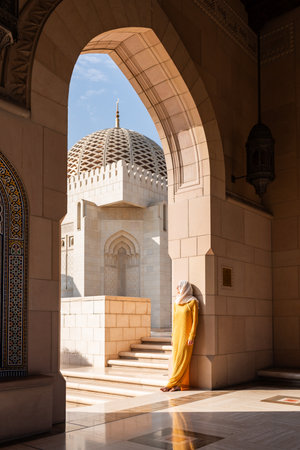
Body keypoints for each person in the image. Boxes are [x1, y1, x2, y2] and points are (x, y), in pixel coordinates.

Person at [161, 280, 198, 392]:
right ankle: (179, 385)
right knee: (177, 360)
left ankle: (170, 383)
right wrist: (172, 336)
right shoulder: (176, 303)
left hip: (186, 336)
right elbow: (174, 321)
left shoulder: (192, 302)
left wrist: (192, 336)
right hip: (177, 335)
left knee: (183, 360)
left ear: (184, 288)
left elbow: (195, 321)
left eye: (178, 287)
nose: (177, 290)